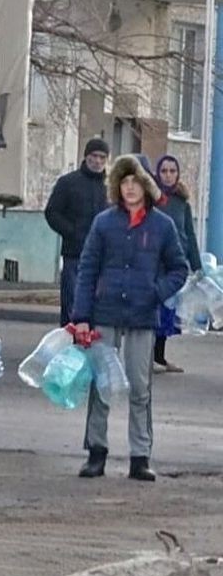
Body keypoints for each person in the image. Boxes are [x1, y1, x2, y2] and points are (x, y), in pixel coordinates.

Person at [72, 155, 188, 482]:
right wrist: (81, 316)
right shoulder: (104, 222)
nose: (130, 188)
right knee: (103, 385)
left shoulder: (162, 225)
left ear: (146, 185)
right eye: (124, 182)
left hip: (142, 316)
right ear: (117, 186)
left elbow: (180, 268)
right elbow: (87, 269)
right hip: (104, 313)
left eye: (135, 181)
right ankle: (96, 452)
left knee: (140, 387)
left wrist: (156, 290)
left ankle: (140, 456)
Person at [44, 138, 110, 327]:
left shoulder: (111, 187)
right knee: (72, 305)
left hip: (103, 258)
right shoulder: (68, 183)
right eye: (94, 156)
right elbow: (52, 212)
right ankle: (69, 348)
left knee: (99, 307)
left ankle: (94, 348)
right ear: (86, 156)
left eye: (102, 157)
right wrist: (72, 232)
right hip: (75, 254)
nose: (98, 161)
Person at [152, 154, 202, 373]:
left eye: (173, 171)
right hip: (155, 263)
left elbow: (188, 234)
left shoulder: (182, 202)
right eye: (164, 171)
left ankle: (159, 358)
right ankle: (149, 357)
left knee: (168, 312)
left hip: (176, 263)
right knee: (155, 310)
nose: (169, 175)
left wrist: (197, 265)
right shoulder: (151, 198)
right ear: (157, 173)